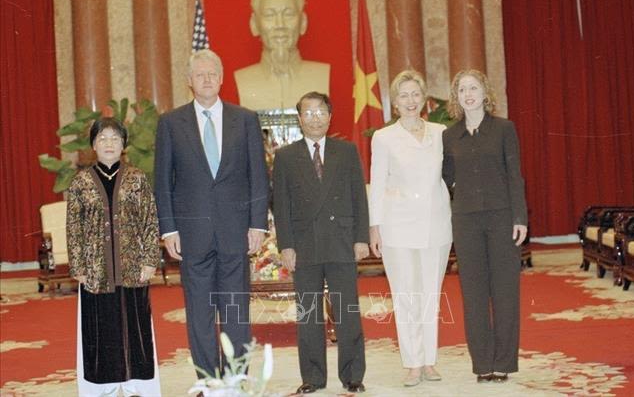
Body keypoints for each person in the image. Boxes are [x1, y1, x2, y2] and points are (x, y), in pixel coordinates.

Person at [154, 49, 269, 378]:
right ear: (189, 81)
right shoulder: (171, 123)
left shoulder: (244, 119)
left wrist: (258, 224)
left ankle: (237, 379)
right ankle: (208, 381)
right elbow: (163, 181)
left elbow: (258, 176)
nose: (206, 79)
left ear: (221, 78)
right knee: (199, 313)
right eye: (200, 74)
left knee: (235, 311)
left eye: (212, 73)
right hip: (192, 235)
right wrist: (169, 230)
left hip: (236, 231)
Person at [272, 92, 369, 394]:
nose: (315, 118)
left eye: (320, 112)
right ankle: (313, 378)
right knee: (309, 315)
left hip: (342, 241)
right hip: (304, 245)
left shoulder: (347, 151)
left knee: (347, 312)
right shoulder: (286, 157)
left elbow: (358, 197)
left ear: (330, 116)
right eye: (308, 113)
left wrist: (361, 238)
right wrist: (286, 245)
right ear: (299, 119)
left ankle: (353, 375)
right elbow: (281, 206)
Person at [442, 69, 528, 383]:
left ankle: (503, 362)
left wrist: (520, 218)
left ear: (484, 92)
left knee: (505, 292)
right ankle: (482, 364)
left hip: (502, 218)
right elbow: (446, 178)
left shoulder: (504, 129)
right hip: (466, 222)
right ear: (456, 97)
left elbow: (514, 175)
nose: (468, 94)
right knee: (474, 294)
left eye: (473, 88)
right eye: (462, 89)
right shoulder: (449, 136)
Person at [368, 70, 453, 387]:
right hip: (398, 226)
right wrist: (375, 227)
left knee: (431, 294)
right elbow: (377, 184)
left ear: (424, 97)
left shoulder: (440, 133)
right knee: (405, 295)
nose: (410, 101)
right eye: (403, 95)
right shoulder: (384, 137)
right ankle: (413, 363)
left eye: (415, 94)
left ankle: (429, 361)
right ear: (395, 102)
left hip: (436, 224)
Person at [67, 118, 161, 397]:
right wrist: (78, 265)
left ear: (123, 144)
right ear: (94, 144)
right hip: (95, 269)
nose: (109, 144)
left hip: (133, 267)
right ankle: (104, 386)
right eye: (103, 138)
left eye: (115, 138)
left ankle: (136, 386)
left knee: (136, 327)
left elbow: (150, 220)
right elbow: (74, 227)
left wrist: (149, 260)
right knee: (100, 328)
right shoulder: (81, 181)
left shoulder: (137, 178)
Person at [234, 0, 330, 111]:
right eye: (269, 15)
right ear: (254, 24)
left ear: (303, 22)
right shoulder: (243, 79)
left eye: (288, 14)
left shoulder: (321, 75)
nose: (280, 25)